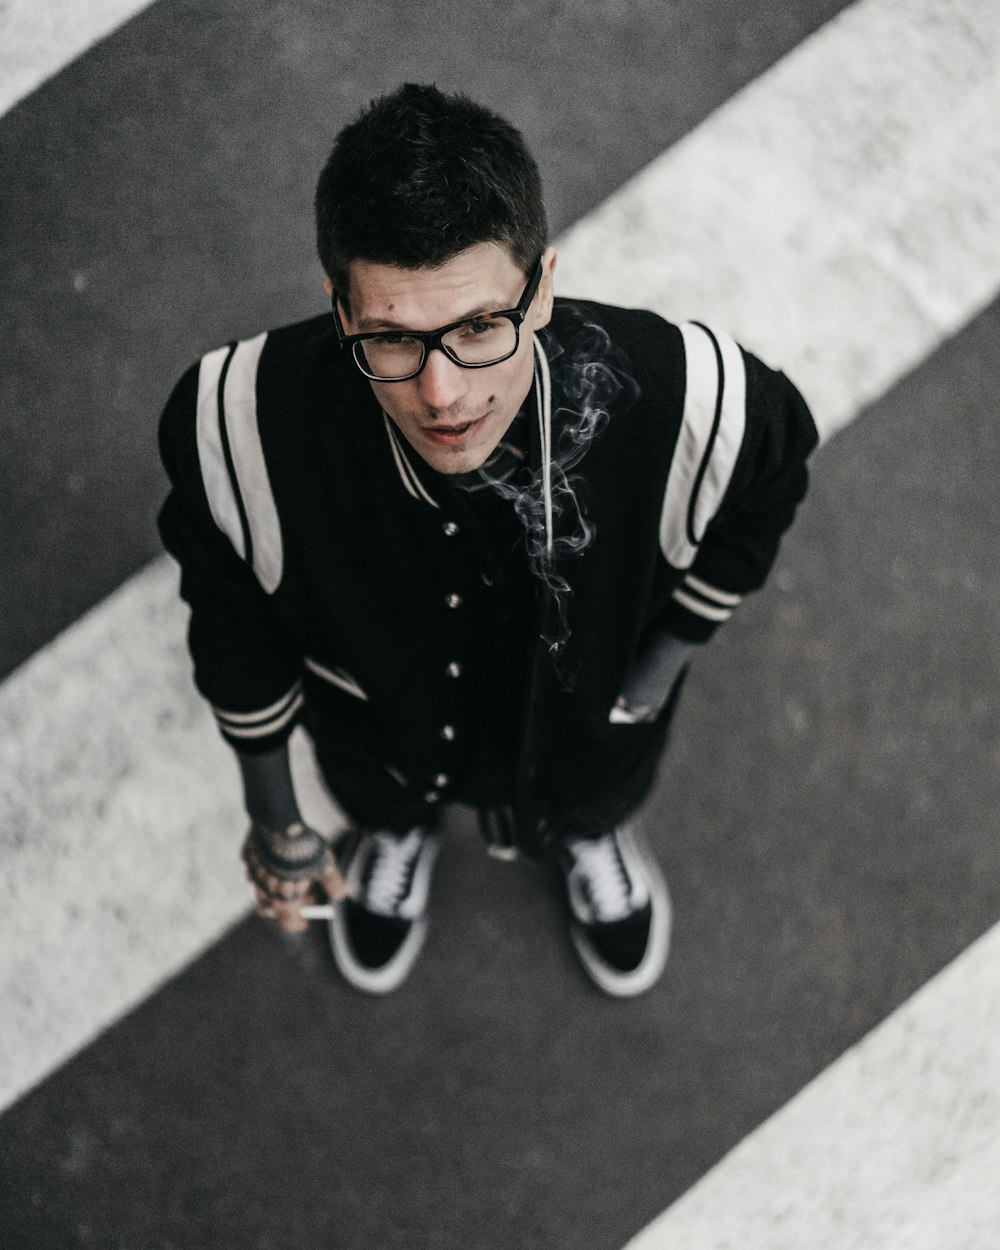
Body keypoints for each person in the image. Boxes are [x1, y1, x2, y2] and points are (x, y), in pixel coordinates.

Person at [157, 83, 817, 998]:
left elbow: (771, 479)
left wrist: (654, 673)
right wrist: (277, 823)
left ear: (543, 288)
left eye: (479, 327)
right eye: (391, 338)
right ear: (340, 311)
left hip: (589, 716)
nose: (442, 394)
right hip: (376, 726)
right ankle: (396, 829)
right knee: (382, 789)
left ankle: (590, 830)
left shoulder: (693, 399)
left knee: (595, 782)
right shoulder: (231, 427)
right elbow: (234, 632)